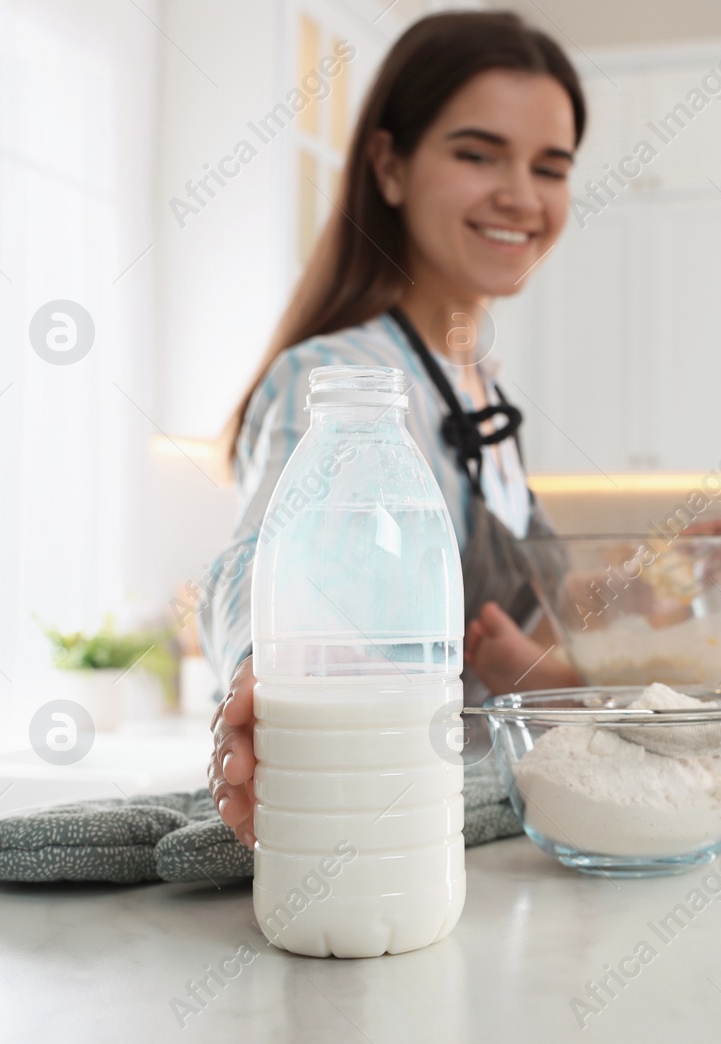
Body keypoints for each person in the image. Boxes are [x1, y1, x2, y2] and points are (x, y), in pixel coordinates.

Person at [202, 11, 585, 848]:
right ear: (390, 164)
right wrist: (258, 671)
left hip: (486, 821)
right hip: (380, 822)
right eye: (478, 154)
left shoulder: (479, 388)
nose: (521, 194)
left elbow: (543, 608)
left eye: (549, 167)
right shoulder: (336, 380)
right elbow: (247, 566)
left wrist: (669, 579)